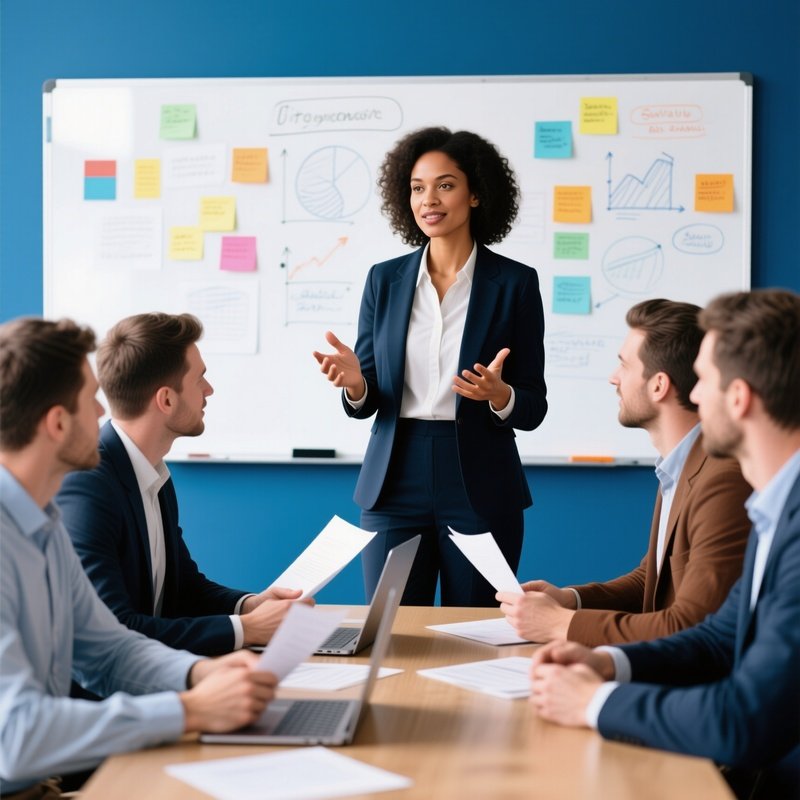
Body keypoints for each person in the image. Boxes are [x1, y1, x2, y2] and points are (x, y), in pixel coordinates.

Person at [529, 289, 800, 798]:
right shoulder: (777, 506)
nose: (694, 397)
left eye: (707, 383)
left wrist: (594, 702)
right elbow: (720, 636)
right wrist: (606, 663)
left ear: (738, 398)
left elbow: (745, 718)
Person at [0, 317, 276, 799]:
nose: (104, 412)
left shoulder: (43, 524)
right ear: (58, 423)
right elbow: (16, 737)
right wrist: (190, 710)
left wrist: (199, 675)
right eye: (91, 401)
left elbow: (108, 649)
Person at [313, 127, 547, 606]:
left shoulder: (516, 284)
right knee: (390, 633)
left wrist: (501, 396)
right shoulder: (385, 280)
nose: (428, 199)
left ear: (476, 193)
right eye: (418, 188)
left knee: (476, 635)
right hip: (394, 478)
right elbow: (367, 399)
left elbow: (534, 406)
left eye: (445, 184)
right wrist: (357, 385)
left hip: (480, 479)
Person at [498, 299, 751, 645]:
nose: (613, 378)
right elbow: (653, 575)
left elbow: (691, 624)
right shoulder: (681, 463)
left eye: (624, 366)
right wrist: (570, 600)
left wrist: (562, 625)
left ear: (659, 385)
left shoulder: (722, 479)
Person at [57, 313, 306, 657]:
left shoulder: (153, 473)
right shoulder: (89, 486)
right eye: (200, 379)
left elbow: (183, 590)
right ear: (167, 400)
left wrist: (250, 605)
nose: (209, 390)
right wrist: (247, 629)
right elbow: (113, 629)